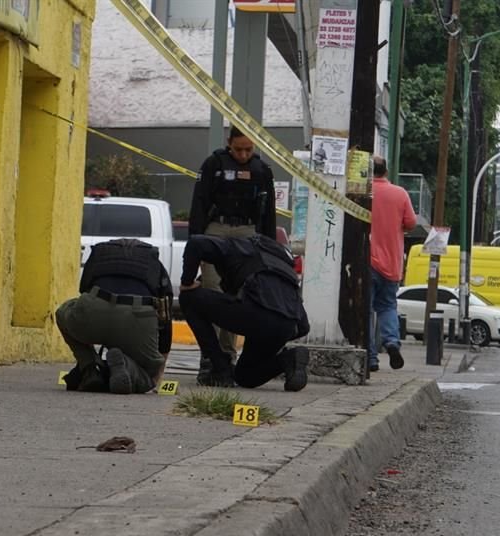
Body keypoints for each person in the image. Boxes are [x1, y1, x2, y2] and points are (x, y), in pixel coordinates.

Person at [189, 126, 277, 383]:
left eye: (249, 149)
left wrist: (269, 250)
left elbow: (268, 212)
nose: (243, 154)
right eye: (238, 149)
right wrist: (196, 244)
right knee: (211, 292)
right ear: (229, 144)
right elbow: (199, 203)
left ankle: (227, 355)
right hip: (216, 228)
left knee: (236, 297)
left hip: (247, 231)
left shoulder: (262, 170)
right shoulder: (214, 164)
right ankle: (209, 358)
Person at [178, 234, 310, 390]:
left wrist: (187, 282)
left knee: (188, 298)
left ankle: (220, 369)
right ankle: (289, 358)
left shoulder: (234, 246)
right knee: (246, 376)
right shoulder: (282, 266)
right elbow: (303, 327)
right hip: (286, 325)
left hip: (257, 314)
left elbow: (196, 244)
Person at [56, 239, 173, 394]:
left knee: (62, 312)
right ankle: (126, 366)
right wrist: (156, 373)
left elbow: (84, 291)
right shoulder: (155, 264)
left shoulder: (98, 257)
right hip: (137, 315)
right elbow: (165, 318)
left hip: (95, 308)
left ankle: (90, 368)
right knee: (148, 376)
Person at [368, 156, 417, 372]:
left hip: (367, 261)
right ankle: (391, 343)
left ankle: (371, 358)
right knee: (388, 306)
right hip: (391, 263)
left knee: (366, 311)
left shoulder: (363, 192)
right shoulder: (400, 193)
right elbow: (411, 223)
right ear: (386, 172)